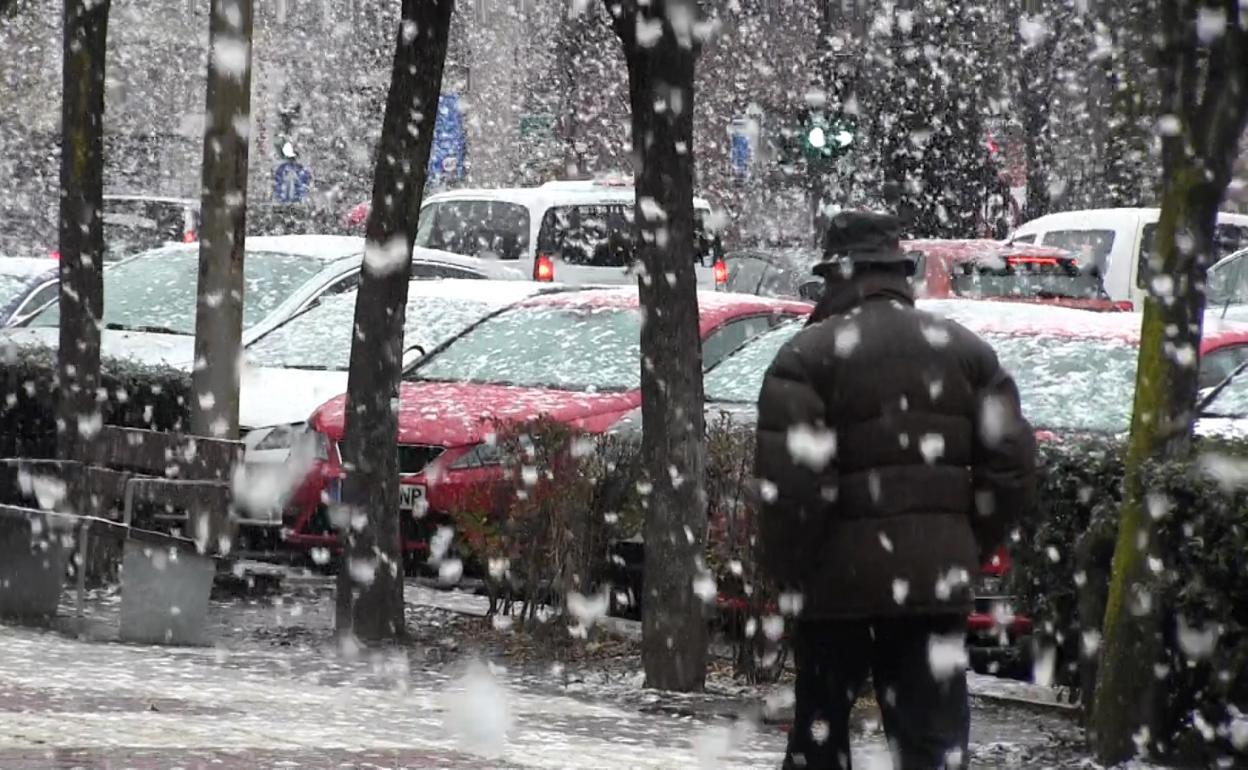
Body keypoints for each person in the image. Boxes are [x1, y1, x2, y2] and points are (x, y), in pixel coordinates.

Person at [754, 211, 1036, 769]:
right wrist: (966, 544)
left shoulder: (806, 359)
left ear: (834, 275)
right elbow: (1013, 467)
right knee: (931, 745)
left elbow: (793, 492)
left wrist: (794, 574)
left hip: (837, 592)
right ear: (899, 271)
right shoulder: (967, 354)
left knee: (820, 740)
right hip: (933, 588)